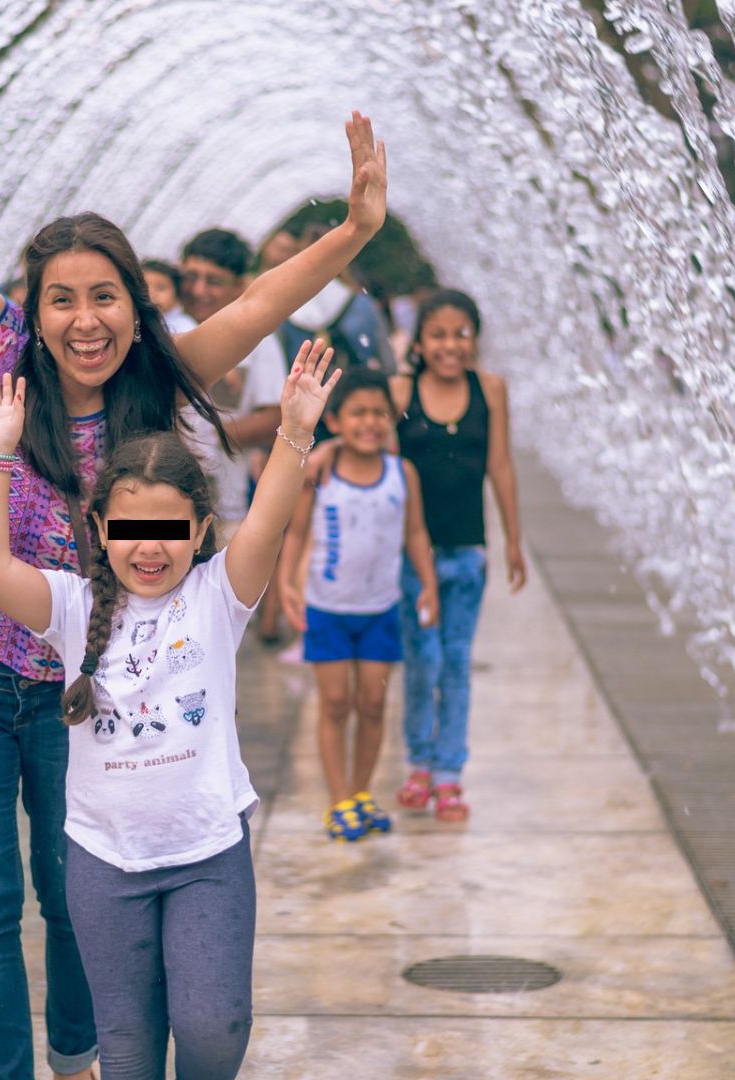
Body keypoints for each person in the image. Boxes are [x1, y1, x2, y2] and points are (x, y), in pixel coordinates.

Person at [0, 3, 388, 1075]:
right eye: (62, 297)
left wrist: (351, 236)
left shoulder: (162, 378)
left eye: (105, 297)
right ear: (34, 303)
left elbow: (264, 299)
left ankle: (77, 1052)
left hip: (83, 672)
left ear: (133, 305)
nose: (84, 318)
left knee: (67, 892)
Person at [0, 342, 340, 1080]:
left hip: (206, 855)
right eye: (131, 530)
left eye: (170, 531)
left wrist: (295, 431)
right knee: (128, 1052)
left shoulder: (218, 597)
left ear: (198, 531)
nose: (150, 548)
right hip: (105, 861)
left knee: (213, 1027)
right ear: (101, 529)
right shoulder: (72, 607)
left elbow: (267, 519)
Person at [277, 368, 438, 841]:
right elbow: (298, 530)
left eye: (378, 413)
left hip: (381, 610)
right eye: (358, 413)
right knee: (335, 703)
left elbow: (415, 533)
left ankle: (363, 792)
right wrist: (288, 583)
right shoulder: (322, 467)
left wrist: (428, 585)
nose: (369, 422)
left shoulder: (401, 473)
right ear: (338, 420)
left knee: (372, 702)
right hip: (327, 609)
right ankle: (338, 798)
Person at [388, 289, 524, 822]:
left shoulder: (490, 389)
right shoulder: (401, 391)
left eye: (461, 334)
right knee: (422, 661)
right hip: (410, 556)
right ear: (419, 342)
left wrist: (513, 540)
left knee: (457, 662)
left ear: (476, 339)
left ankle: (450, 774)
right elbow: (386, 471)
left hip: (467, 551)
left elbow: (501, 465)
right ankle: (418, 763)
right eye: (439, 334)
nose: (451, 345)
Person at [177, 229, 287, 531]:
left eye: (213, 281)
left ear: (240, 286)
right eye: (191, 276)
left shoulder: (259, 337)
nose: (198, 290)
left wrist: (199, 439)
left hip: (224, 511)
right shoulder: (162, 328)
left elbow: (276, 417)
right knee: (156, 568)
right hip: (161, 512)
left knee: (217, 574)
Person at [276, 222, 398, 439]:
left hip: (301, 416)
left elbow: (278, 372)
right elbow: (388, 365)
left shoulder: (285, 306)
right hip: (356, 416)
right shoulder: (363, 305)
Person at [140, 259, 194, 333]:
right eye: (144, 287)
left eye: (161, 288)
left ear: (177, 296)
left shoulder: (185, 326)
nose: (151, 294)